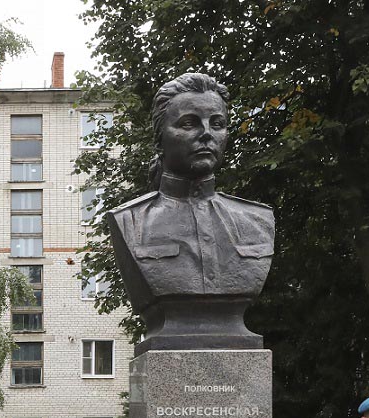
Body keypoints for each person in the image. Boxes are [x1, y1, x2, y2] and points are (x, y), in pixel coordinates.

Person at [106, 72, 274, 351]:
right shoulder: (130, 221)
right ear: (160, 138)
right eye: (189, 123)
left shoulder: (258, 220)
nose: (207, 133)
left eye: (217, 123)